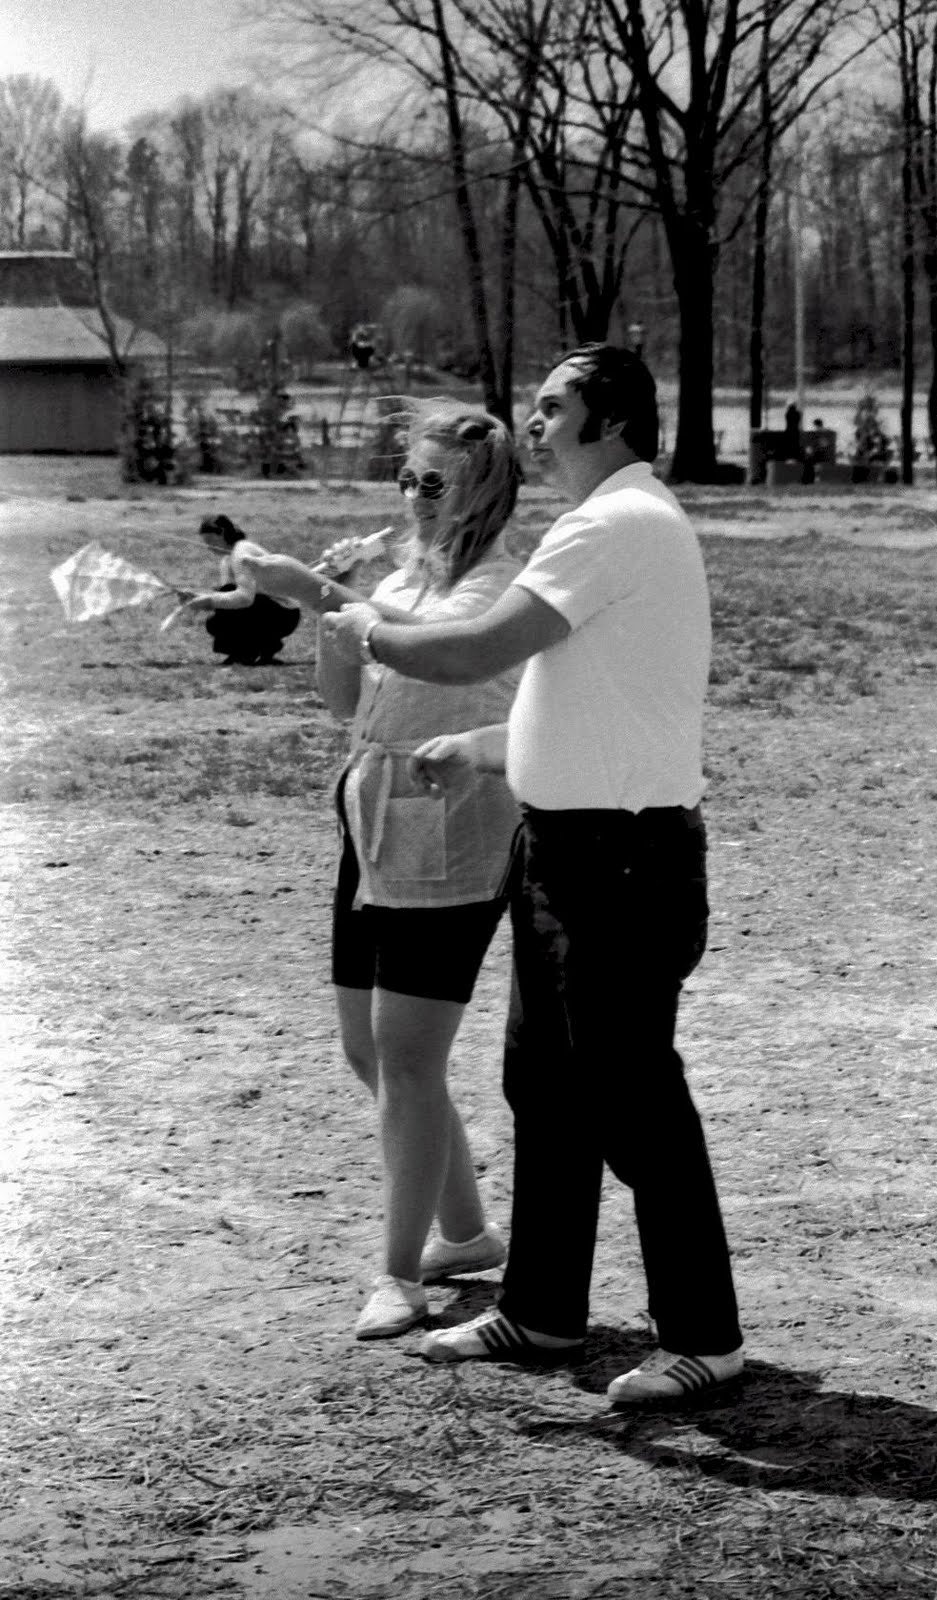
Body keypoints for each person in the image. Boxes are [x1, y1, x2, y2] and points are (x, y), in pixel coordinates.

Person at [318, 344, 743, 1406]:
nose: (535, 424)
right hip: (565, 851)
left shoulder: (613, 523)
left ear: (608, 418)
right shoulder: (619, 524)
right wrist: (489, 746)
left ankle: (703, 1337)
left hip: (620, 862)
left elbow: (469, 647)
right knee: (545, 1089)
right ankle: (542, 1311)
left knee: (636, 1102)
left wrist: (363, 620)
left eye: (553, 406)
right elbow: (595, 694)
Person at [260, 408, 523, 1340]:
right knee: (370, 1052)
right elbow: (346, 700)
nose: (413, 498)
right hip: (372, 814)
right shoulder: (405, 573)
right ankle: (464, 1233)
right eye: (407, 479)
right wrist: (327, 618)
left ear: (483, 491)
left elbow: (443, 651)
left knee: (410, 1058)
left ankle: (400, 1276)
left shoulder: (500, 581)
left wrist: (322, 589)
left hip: (448, 823)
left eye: (433, 483)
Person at [167, 515, 301, 665]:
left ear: (223, 533)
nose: (209, 547)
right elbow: (228, 599)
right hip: (267, 608)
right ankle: (255, 650)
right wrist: (197, 596)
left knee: (224, 611)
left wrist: (208, 600)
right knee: (215, 622)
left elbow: (244, 598)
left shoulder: (241, 553)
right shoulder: (227, 559)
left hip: (284, 614)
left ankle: (249, 652)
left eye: (211, 541)